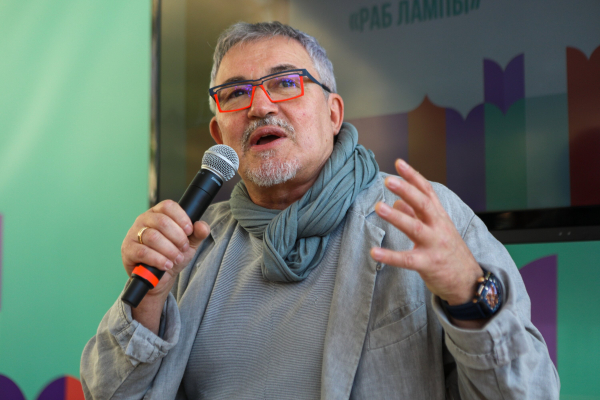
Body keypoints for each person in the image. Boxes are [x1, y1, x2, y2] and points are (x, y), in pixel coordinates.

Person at [81, 21, 559, 399]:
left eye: (285, 83)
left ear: (333, 114)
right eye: (236, 93)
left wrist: (468, 294)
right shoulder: (190, 247)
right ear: (218, 133)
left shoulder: (422, 216)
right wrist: (149, 302)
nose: (259, 106)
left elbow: (530, 392)